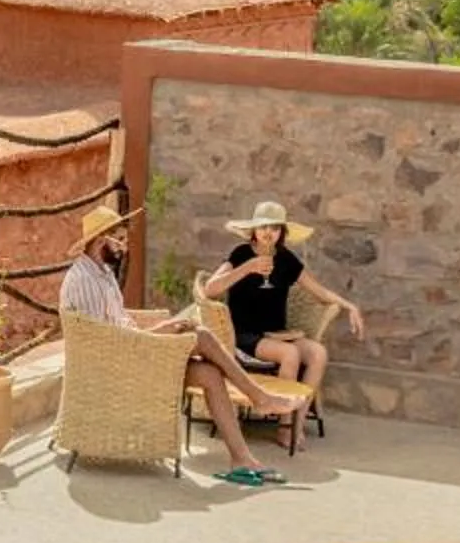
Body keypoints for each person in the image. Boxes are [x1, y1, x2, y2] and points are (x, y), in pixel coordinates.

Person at [59, 203, 297, 487]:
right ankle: (258, 396)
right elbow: (103, 342)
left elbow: (121, 325)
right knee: (200, 336)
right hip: (115, 367)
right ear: (100, 241)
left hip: (129, 353)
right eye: (119, 240)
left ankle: (241, 459)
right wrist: (164, 332)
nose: (125, 247)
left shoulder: (104, 273)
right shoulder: (84, 279)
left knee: (209, 373)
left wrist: (162, 329)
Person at [199, 200, 364, 402]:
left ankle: (296, 423)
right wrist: (247, 268)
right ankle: (283, 426)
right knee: (290, 354)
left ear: (282, 232)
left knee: (318, 354)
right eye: (263, 226)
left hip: (277, 334)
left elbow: (319, 291)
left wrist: (350, 306)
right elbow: (209, 290)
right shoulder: (241, 254)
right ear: (254, 230)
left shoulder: (286, 259)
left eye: (275, 227)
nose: (269, 232)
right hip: (244, 335)